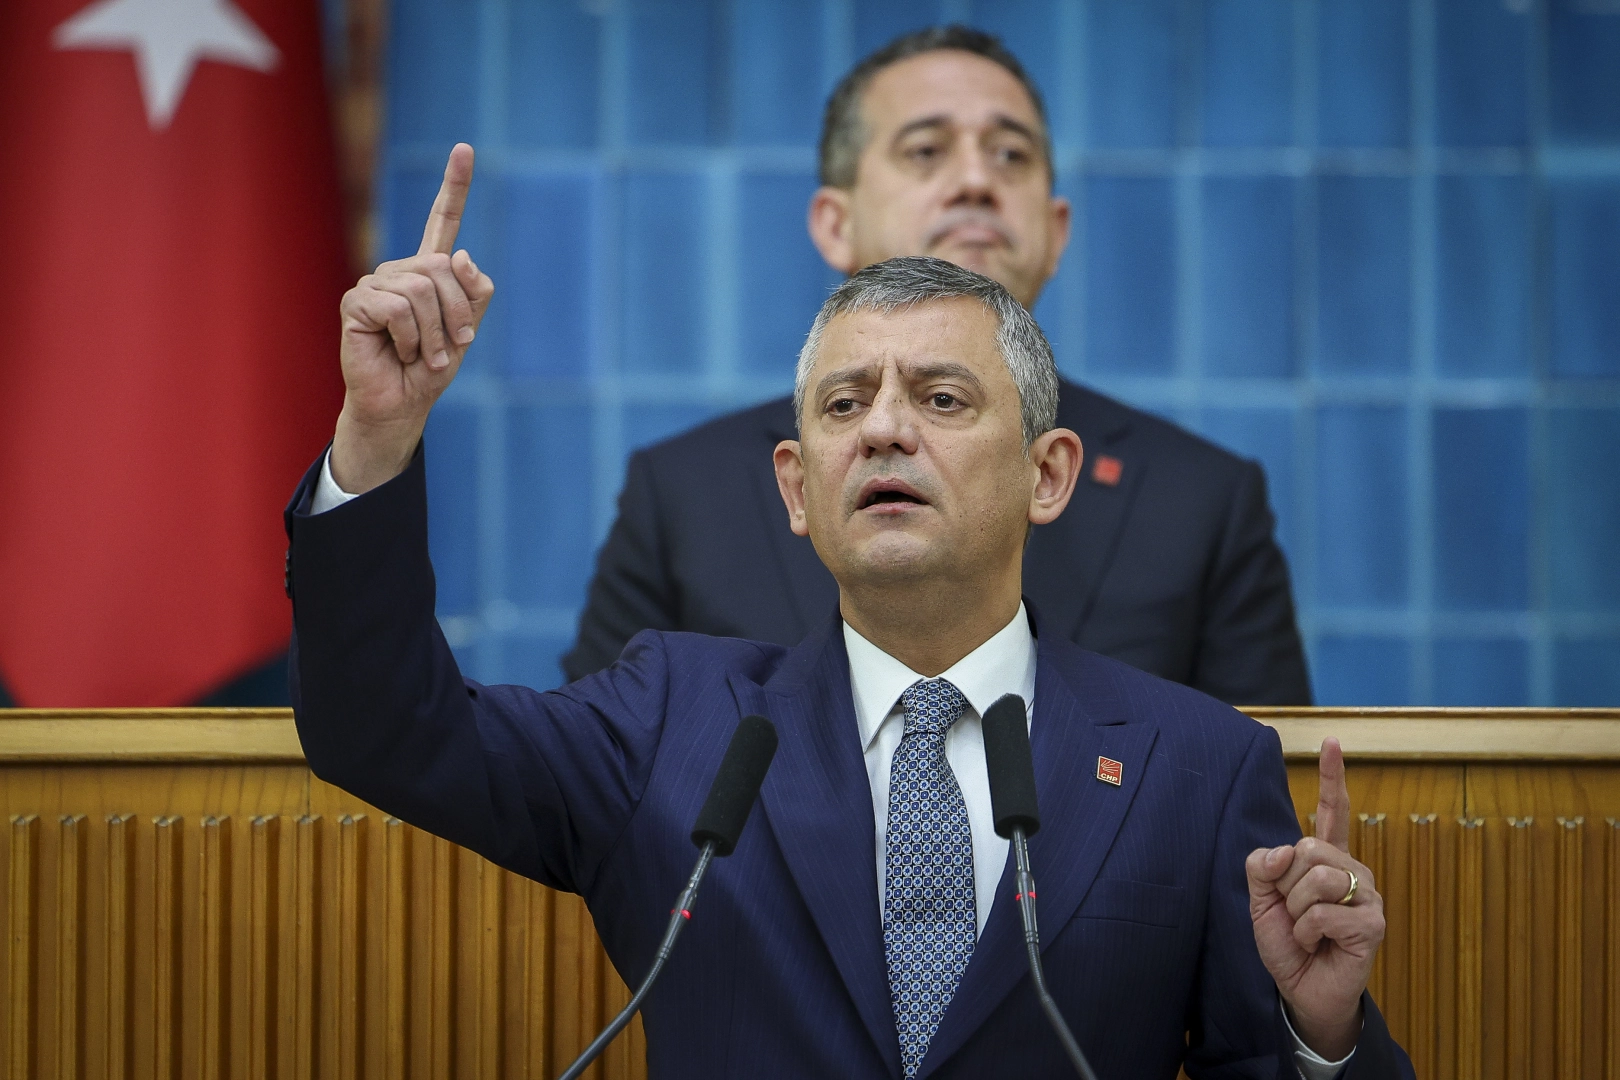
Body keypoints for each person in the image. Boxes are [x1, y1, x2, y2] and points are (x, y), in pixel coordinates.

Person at [284, 145, 1409, 1078]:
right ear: (795, 488)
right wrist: (376, 437)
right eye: (843, 403)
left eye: (941, 397)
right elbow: (384, 730)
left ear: (1049, 474)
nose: (882, 429)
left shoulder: (1196, 766)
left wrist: (1321, 1039)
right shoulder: (671, 720)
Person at [563, 26, 1312, 706]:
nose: (977, 181)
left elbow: (1265, 792)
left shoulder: (1200, 501)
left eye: (1011, 154)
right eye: (926, 151)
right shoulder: (684, 495)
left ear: (1055, 233)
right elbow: (592, 778)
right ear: (835, 222)